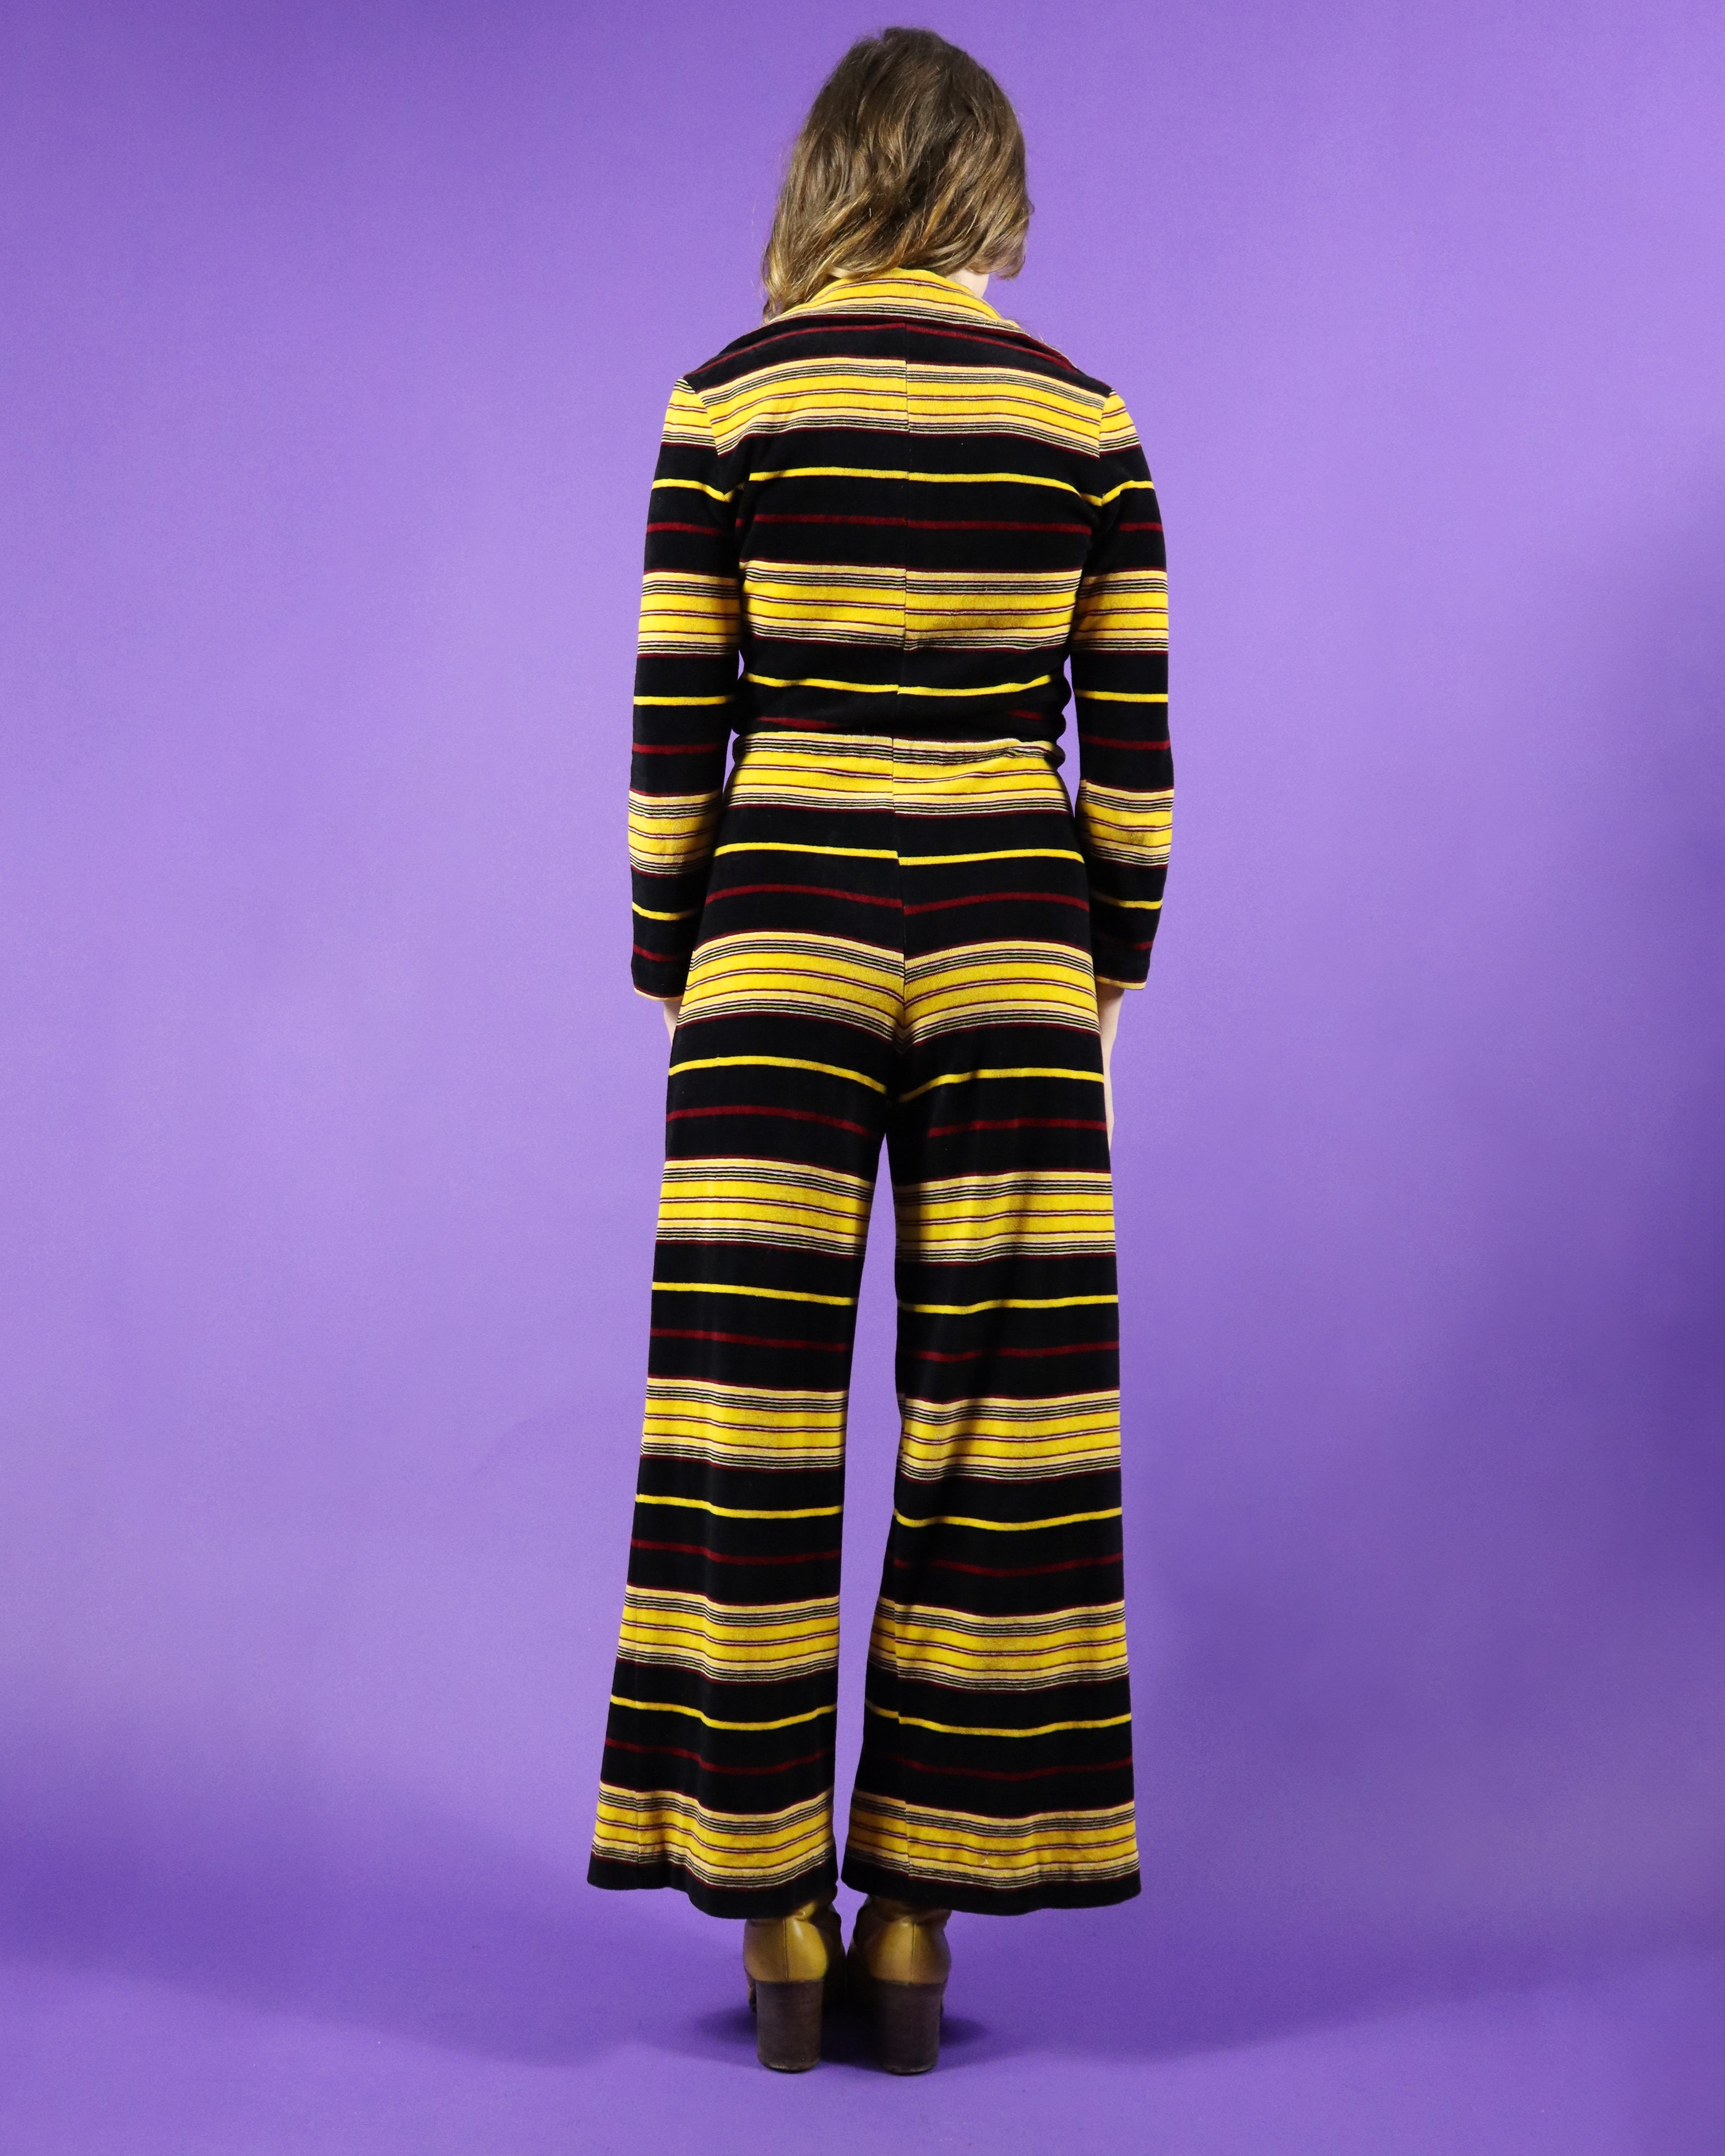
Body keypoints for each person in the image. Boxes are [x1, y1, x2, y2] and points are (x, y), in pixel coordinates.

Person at [588, 25, 1172, 2074]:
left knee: (745, 1413)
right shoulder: (1086, 420)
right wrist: (1106, 965)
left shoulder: (726, 401)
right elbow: (1134, 758)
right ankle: (918, 1919)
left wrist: (675, 958)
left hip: (778, 921)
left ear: (828, 174)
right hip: (1012, 925)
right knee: (1000, 1423)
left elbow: (675, 724)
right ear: (986, 183)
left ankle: (775, 1916)